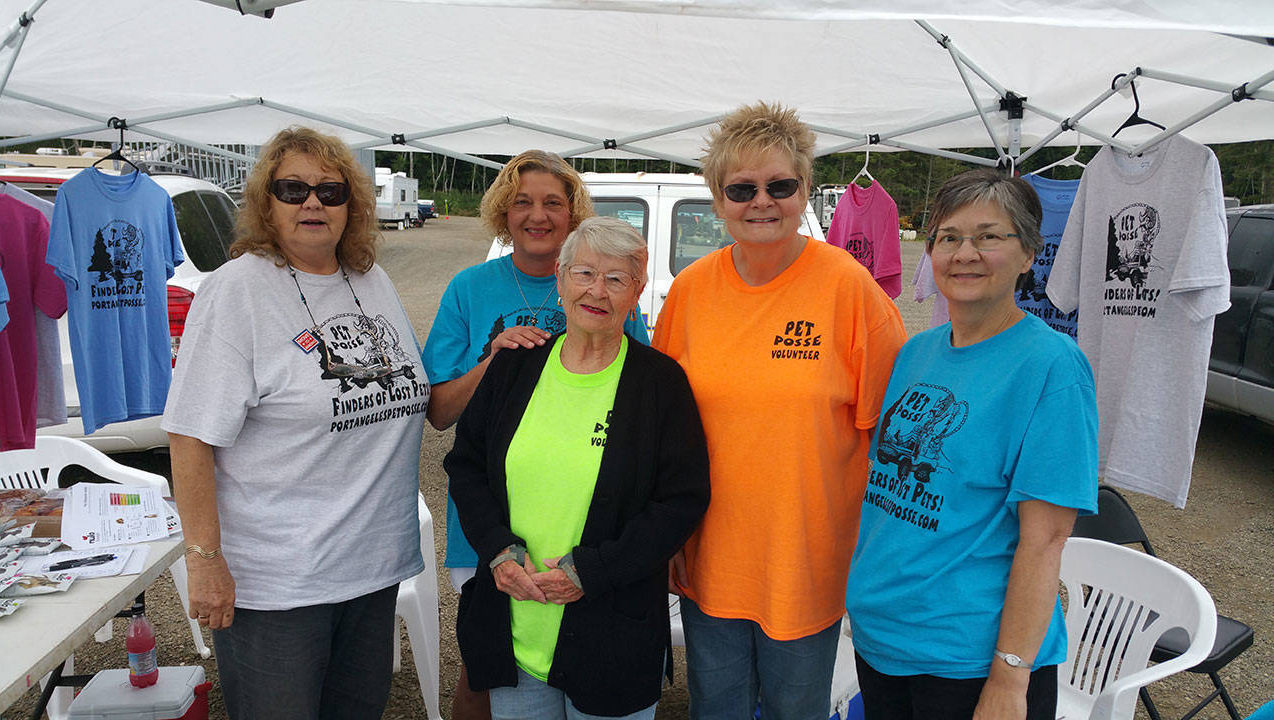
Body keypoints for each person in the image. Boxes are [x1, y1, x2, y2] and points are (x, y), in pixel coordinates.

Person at [651, 102, 908, 720]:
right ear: (717, 199)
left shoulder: (850, 290)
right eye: (741, 188)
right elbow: (658, 427)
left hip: (807, 563)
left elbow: (895, 443)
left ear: (806, 192)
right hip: (711, 559)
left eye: (779, 186)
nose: (761, 201)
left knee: (797, 709)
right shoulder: (690, 291)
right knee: (717, 709)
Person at [162, 126, 428, 720]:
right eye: (293, 189)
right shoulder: (237, 292)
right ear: (266, 202)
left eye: (331, 192)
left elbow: (416, 394)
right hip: (279, 585)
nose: (313, 202)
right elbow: (189, 434)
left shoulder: (371, 280)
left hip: (372, 569)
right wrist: (204, 559)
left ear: (352, 206)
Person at [845, 168, 1099, 720]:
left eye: (989, 236)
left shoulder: (1052, 368)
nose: (966, 253)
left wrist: (1010, 679)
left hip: (967, 662)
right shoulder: (918, 353)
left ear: (1030, 253)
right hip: (882, 640)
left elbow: (1046, 539)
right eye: (950, 237)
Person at [446, 215, 710, 720]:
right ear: (562, 280)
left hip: (613, 635)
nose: (597, 290)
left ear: (636, 291)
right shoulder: (515, 364)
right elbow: (466, 464)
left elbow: (681, 500)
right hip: (517, 626)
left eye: (616, 279)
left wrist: (591, 571)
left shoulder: (660, 383)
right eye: (585, 273)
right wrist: (499, 551)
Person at [421, 150, 649, 719]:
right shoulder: (470, 288)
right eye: (522, 201)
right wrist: (491, 361)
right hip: (491, 524)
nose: (537, 214)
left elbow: (640, 401)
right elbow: (439, 411)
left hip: (584, 528)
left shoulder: (604, 287)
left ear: (573, 212)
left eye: (552, 201)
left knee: (577, 655)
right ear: (504, 210)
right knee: (485, 664)